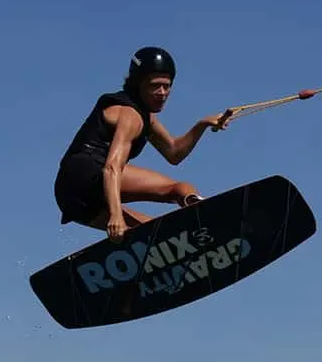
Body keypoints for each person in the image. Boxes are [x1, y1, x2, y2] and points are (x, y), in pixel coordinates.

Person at [54, 46, 234, 240]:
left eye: (167, 86)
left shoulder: (145, 116)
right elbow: (112, 167)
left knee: (152, 235)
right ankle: (199, 212)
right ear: (138, 84)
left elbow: (174, 153)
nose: (162, 92)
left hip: (69, 196)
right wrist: (115, 215)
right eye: (155, 85)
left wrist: (202, 125)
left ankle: (189, 218)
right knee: (176, 189)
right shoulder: (131, 116)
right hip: (90, 176)